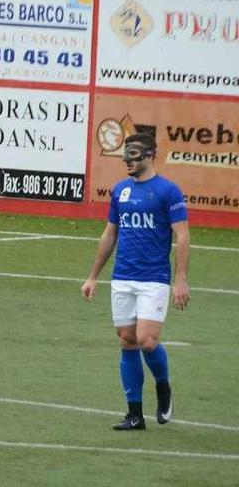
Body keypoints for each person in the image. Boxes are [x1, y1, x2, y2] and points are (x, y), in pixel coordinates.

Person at [81, 132, 190, 430]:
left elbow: (182, 235)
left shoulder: (168, 191)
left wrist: (180, 280)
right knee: (127, 341)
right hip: (122, 278)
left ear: (151, 154)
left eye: (135, 154)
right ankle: (134, 414)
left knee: (147, 339)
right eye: (126, 154)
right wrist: (93, 276)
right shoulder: (120, 191)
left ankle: (163, 386)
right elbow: (110, 233)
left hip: (154, 279)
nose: (128, 159)